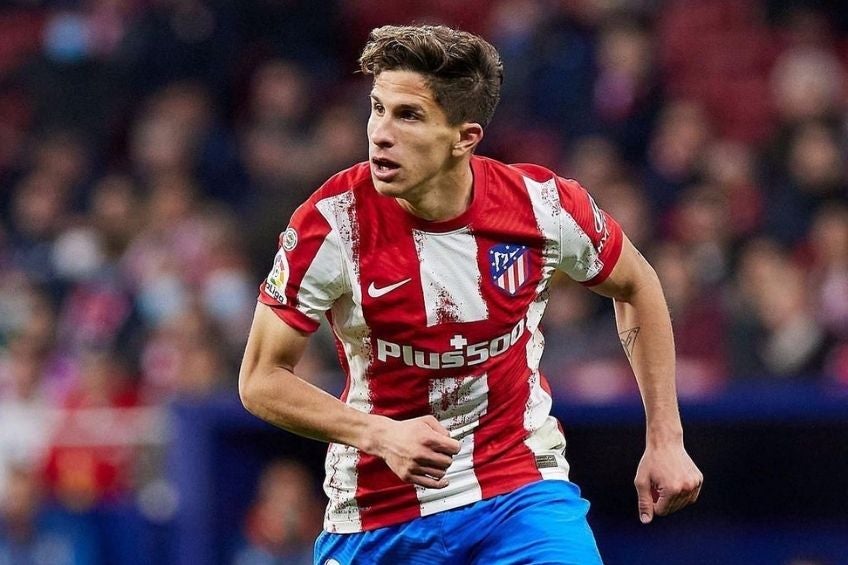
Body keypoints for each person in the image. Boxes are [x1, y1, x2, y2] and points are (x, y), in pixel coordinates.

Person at [239, 24, 702, 564]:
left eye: (408, 116)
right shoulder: (333, 223)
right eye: (377, 108)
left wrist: (665, 437)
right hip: (379, 513)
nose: (381, 133)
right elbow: (260, 379)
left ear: (465, 137)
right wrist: (379, 434)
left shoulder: (542, 209)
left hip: (519, 492)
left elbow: (637, 284)